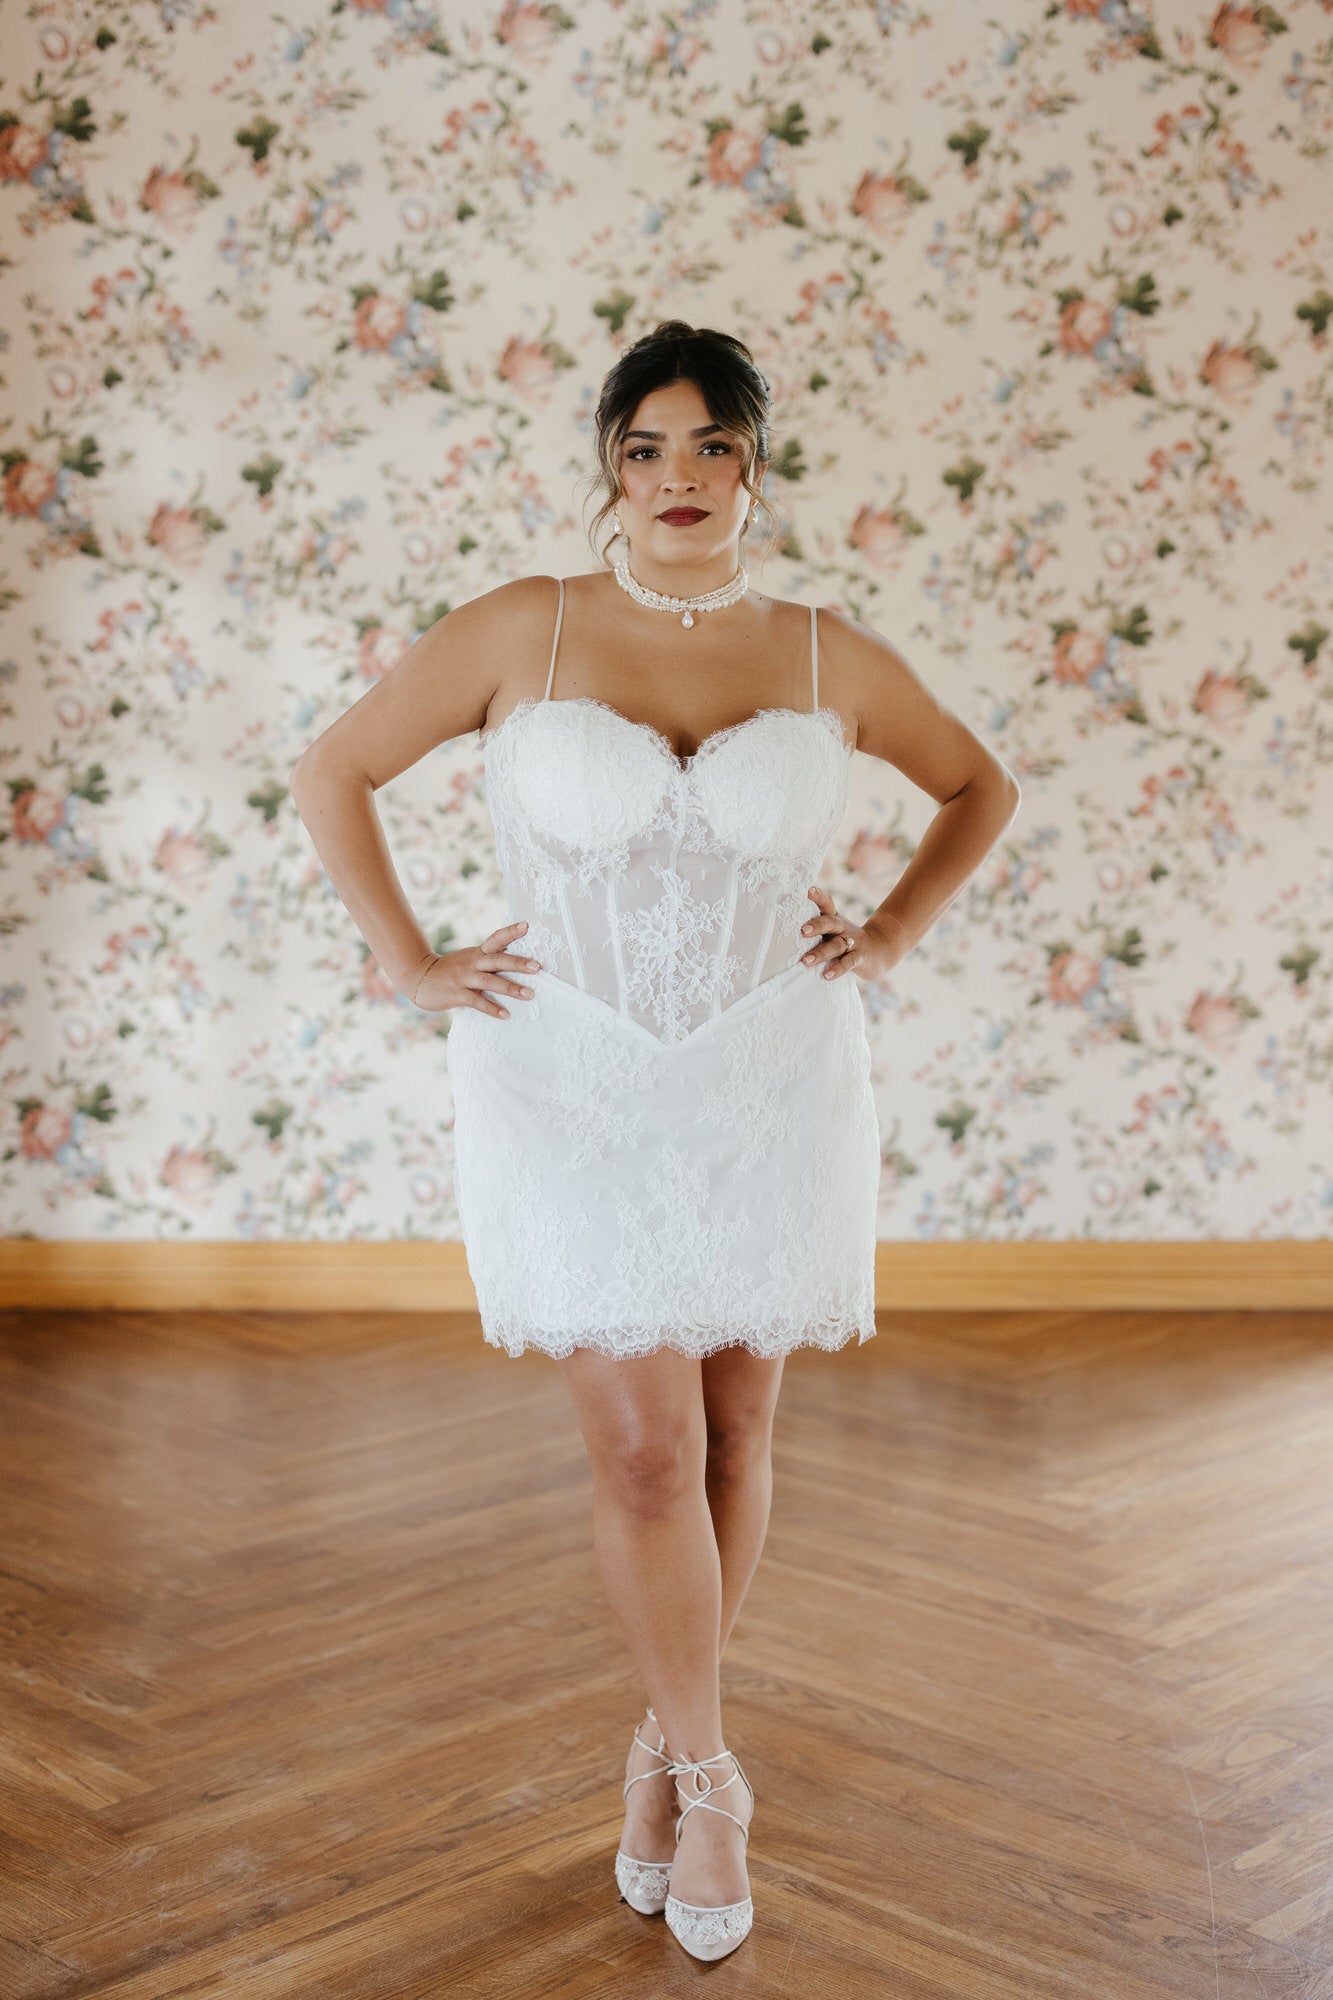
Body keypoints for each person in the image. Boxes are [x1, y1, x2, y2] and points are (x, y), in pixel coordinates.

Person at [290, 320, 1020, 1962]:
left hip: (772, 1077)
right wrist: (409, 962)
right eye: (642, 449)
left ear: (753, 463)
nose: (675, 479)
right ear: (606, 469)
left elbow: (978, 787)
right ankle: (711, 1774)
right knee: (639, 1451)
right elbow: (334, 767)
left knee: (735, 1441)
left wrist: (889, 935)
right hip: (567, 1085)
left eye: (708, 447)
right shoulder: (520, 630)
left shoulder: (828, 657)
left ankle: (656, 1750)